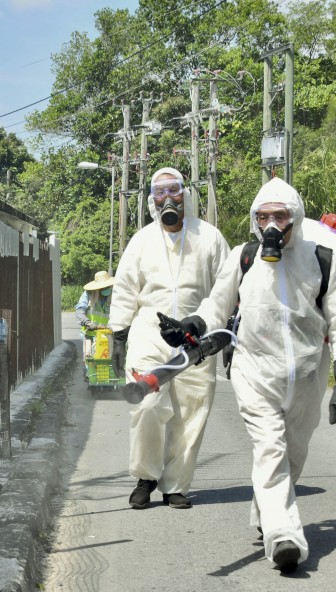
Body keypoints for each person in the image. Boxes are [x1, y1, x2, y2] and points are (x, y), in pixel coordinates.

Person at [180, 177, 336, 572]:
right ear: (254, 220)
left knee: (293, 455)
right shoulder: (244, 256)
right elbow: (217, 304)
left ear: (296, 219)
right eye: (264, 217)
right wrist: (194, 323)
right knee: (271, 449)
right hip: (253, 369)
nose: (272, 225)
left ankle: (266, 513)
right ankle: (284, 537)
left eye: (281, 216)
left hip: (309, 375)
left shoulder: (323, 259)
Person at [108, 167, 230, 510]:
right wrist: (119, 334)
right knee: (147, 404)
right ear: (151, 200)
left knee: (191, 411)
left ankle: (175, 484)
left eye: (173, 190)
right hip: (149, 331)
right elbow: (125, 287)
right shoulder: (142, 240)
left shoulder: (209, 237)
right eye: (159, 192)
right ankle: (145, 477)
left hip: (195, 333)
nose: (167, 199)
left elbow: (226, 288)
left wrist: (216, 328)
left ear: (185, 194)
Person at [75, 270, 115, 358]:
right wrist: (87, 322)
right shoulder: (88, 294)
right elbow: (79, 310)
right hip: (90, 333)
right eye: (103, 287)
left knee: (107, 360)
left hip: (107, 334)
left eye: (107, 286)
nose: (106, 289)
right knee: (89, 358)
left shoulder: (114, 296)